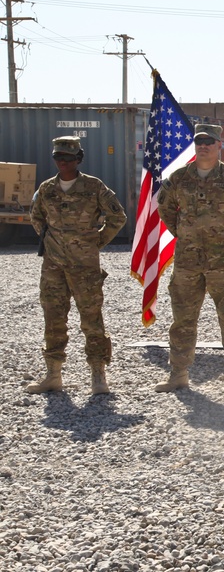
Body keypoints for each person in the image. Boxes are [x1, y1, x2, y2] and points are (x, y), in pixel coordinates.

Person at [154, 124, 224, 393]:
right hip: (187, 261)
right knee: (183, 318)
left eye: (209, 142)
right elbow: (165, 206)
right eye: (199, 141)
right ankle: (178, 373)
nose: (204, 146)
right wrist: (181, 232)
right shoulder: (179, 178)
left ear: (218, 146)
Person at [27, 136, 127, 395]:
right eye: (58, 157)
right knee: (53, 318)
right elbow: (36, 216)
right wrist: (49, 241)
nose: (62, 162)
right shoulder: (47, 188)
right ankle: (53, 374)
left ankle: (98, 374)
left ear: (78, 159)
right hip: (53, 266)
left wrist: (96, 241)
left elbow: (118, 216)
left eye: (68, 158)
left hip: (85, 266)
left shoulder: (94, 187)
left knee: (91, 319)